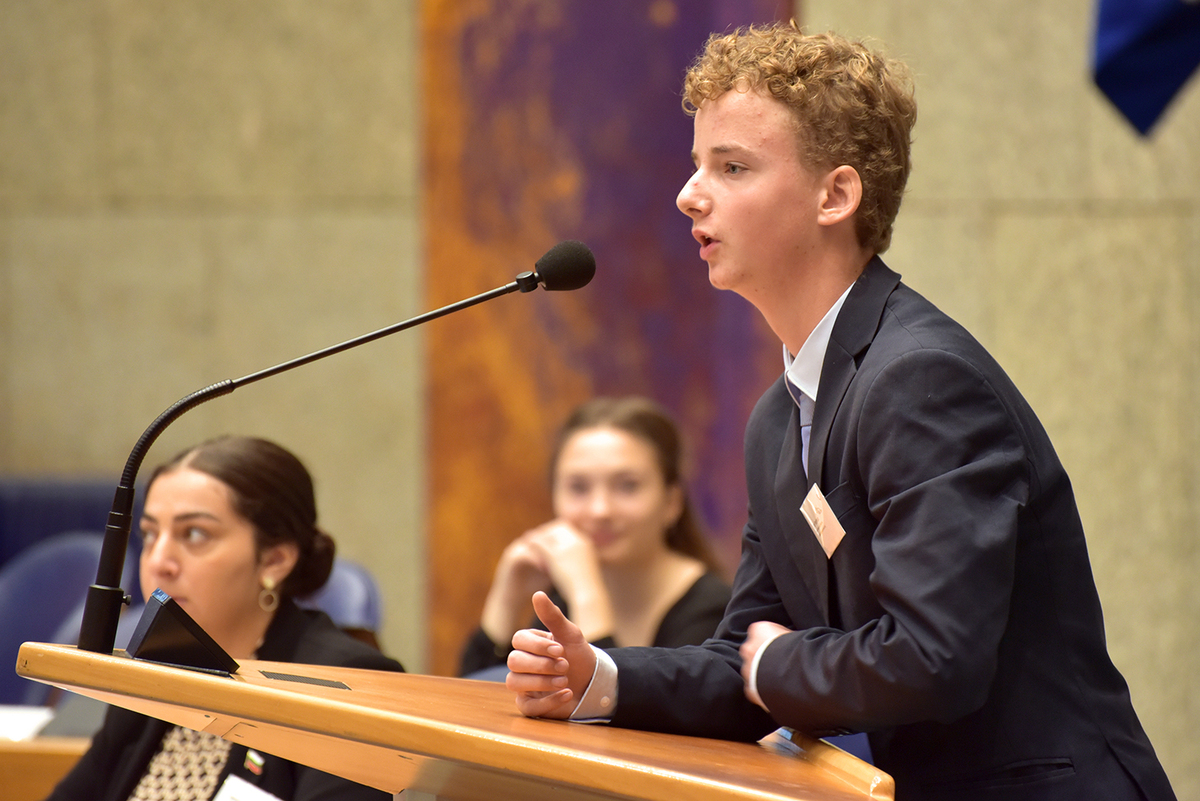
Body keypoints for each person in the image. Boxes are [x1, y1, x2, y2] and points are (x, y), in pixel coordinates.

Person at [503, 22, 1176, 801]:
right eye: (698, 165)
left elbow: (934, 657)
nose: (690, 192)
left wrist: (776, 663)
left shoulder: (922, 380)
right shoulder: (776, 419)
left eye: (732, 166)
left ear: (836, 194)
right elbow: (742, 662)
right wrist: (600, 676)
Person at [47, 435, 404, 801]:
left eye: (195, 534)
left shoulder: (344, 689)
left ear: (274, 560)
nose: (158, 562)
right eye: (151, 535)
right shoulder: (157, 670)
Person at [459, 396, 730, 677]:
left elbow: (612, 704)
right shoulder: (560, 597)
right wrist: (507, 597)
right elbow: (471, 703)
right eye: (578, 487)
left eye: (627, 486)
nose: (600, 510)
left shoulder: (714, 611)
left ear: (672, 503)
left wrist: (586, 592)